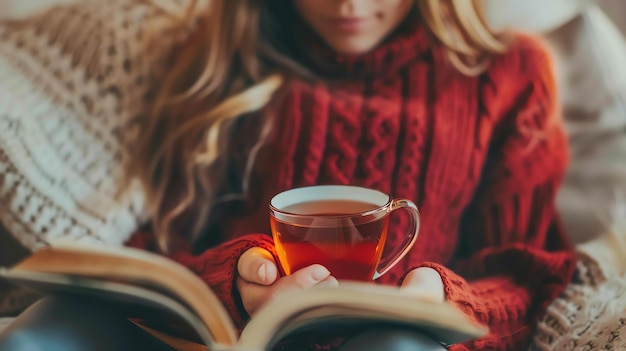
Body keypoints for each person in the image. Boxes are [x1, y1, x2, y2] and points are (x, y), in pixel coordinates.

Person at [0, 0, 576, 350]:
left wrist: (438, 298)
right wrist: (240, 277)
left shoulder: (509, 75)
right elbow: (162, 254)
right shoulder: (223, 63)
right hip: (216, 336)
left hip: (393, 337)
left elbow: (523, 274)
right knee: (42, 328)